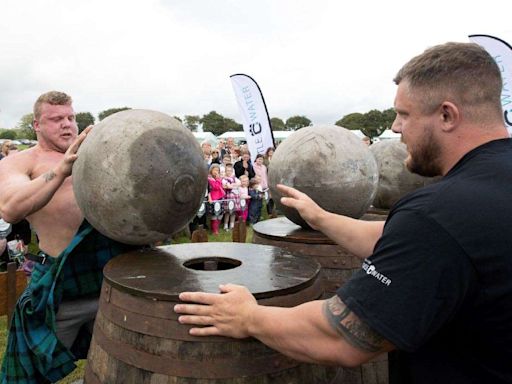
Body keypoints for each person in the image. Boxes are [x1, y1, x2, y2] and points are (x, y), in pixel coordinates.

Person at [174, 42, 512, 383]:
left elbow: (342, 338)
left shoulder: (438, 215)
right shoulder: (482, 197)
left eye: (405, 114)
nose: (395, 127)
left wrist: (249, 317)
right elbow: (399, 240)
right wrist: (320, 217)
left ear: (446, 115)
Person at [0, 91, 135, 383]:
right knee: (28, 374)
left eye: (71, 117)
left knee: (124, 364)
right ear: (36, 125)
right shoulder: (21, 162)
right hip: (60, 289)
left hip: (114, 282)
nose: (67, 125)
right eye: (56, 119)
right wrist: (62, 170)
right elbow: (10, 208)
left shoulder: (100, 153)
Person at [206, 163, 225, 235]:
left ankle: (217, 227)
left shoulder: (217, 178)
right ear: (211, 170)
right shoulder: (210, 179)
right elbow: (215, 187)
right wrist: (218, 179)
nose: (216, 171)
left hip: (220, 197)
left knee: (220, 214)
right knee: (214, 214)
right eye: (215, 170)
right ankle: (214, 230)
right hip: (214, 198)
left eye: (218, 170)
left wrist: (218, 179)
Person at [221, 164, 240, 231]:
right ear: (225, 171)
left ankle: (232, 225)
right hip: (228, 196)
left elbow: (239, 183)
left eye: (230, 171)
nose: (229, 172)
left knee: (233, 211)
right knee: (228, 212)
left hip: (235, 197)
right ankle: (226, 225)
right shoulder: (224, 179)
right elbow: (228, 186)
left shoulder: (234, 178)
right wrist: (233, 185)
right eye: (227, 171)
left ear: (232, 171)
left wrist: (232, 185)